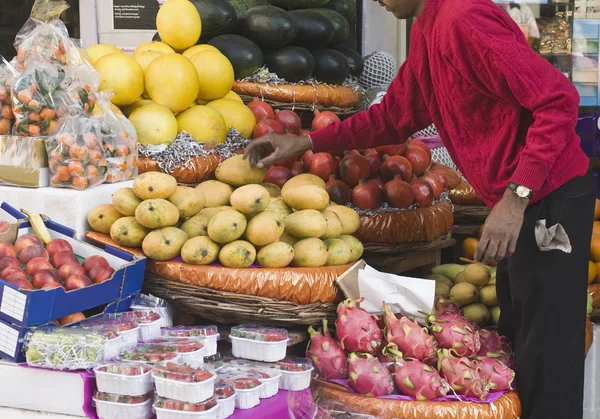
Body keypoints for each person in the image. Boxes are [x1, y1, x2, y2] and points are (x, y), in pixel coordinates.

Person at [244, 0, 594, 418]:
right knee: (520, 338)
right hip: (523, 198)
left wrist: (515, 199)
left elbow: (557, 98)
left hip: (549, 197)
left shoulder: (464, 18)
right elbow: (392, 117)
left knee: (548, 352)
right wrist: (304, 142)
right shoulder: (430, 28)